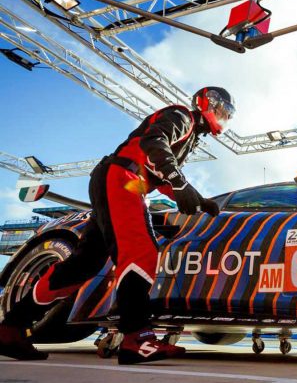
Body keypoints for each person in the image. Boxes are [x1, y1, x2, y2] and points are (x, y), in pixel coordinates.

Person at [0, 87, 235, 365]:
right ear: (206, 103)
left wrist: (197, 198)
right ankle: (137, 338)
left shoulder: (190, 134)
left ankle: (10, 329)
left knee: (82, 265)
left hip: (123, 179)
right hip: (123, 177)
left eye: (227, 114)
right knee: (141, 251)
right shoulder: (182, 116)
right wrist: (179, 181)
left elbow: (157, 174)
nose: (222, 116)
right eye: (221, 109)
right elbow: (153, 143)